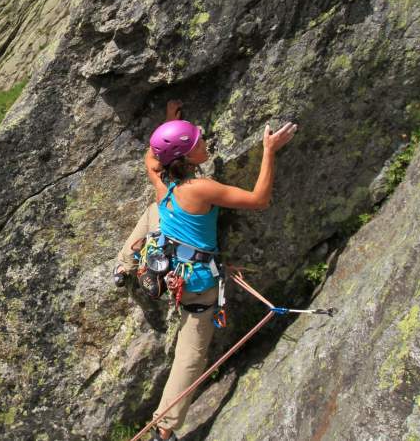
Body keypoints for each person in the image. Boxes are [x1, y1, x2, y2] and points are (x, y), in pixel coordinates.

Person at [115, 115, 298, 441]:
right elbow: (259, 200)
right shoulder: (201, 188)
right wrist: (269, 150)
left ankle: (124, 263)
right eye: (196, 142)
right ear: (183, 158)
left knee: (154, 211)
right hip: (198, 287)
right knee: (191, 357)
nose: (205, 142)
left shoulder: (163, 182)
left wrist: (170, 125)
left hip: (174, 269)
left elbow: (150, 157)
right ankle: (164, 428)